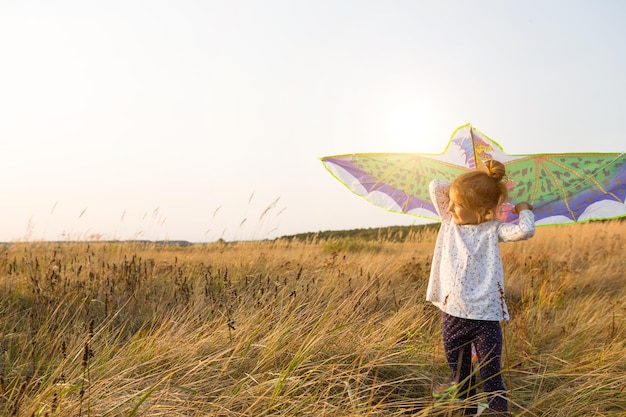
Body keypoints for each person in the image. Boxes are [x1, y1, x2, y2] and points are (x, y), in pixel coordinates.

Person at [427, 160, 535, 416]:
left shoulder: (493, 229)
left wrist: (523, 209)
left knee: (491, 376)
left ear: (482, 209)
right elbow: (435, 186)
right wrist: (477, 181)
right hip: (452, 315)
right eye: (450, 202)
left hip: (485, 318)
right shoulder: (448, 222)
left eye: (458, 204)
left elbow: (526, 230)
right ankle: (469, 411)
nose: (450, 207)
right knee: (461, 379)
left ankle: (499, 413)